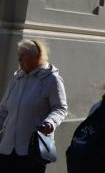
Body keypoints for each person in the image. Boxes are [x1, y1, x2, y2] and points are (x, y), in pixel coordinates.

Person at [0, 39, 68, 173]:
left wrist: (50, 122)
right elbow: (3, 110)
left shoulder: (51, 79)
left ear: (36, 56)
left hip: (31, 150)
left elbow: (60, 108)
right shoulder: (16, 79)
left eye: (23, 55)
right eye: (18, 54)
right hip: (7, 148)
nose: (19, 59)